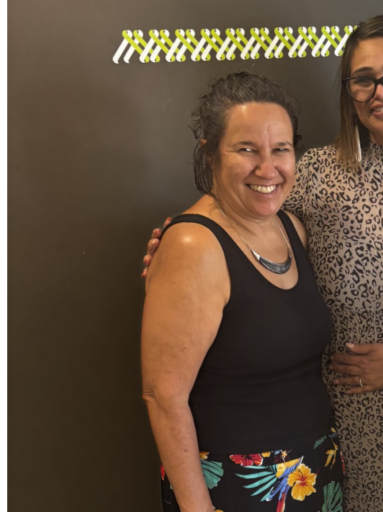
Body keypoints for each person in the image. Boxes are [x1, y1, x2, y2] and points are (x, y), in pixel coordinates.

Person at [143, 15, 383, 512]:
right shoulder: (311, 173)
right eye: (363, 79)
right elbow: (243, 234)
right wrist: (174, 248)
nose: (381, 91)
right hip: (331, 421)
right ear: (349, 93)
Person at [141, 72, 342, 512]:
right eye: (246, 149)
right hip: (234, 484)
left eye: (280, 150)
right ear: (210, 153)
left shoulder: (293, 228)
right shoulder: (193, 245)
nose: (267, 169)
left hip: (312, 473)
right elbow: (163, 397)